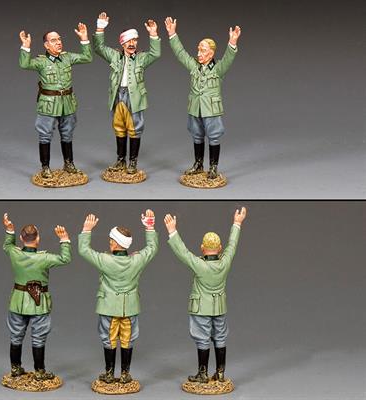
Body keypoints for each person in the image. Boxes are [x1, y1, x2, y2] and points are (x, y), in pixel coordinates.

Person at [163, 207, 247, 383]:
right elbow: (232, 246)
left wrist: (172, 231)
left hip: (201, 308)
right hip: (220, 308)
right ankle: (220, 373)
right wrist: (237, 223)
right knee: (220, 337)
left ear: (202, 248)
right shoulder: (225, 262)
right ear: (220, 248)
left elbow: (183, 252)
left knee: (203, 340)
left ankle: (203, 373)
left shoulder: (199, 264)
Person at [78, 210, 158, 384]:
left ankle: (109, 374)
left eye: (110, 241)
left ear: (115, 244)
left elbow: (83, 250)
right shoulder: (137, 260)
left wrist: (86, 230)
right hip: (130, 307)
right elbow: (152, 248)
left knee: (109, 339)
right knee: (128, 339)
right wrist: (150, 227)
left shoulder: (105, 260)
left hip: (108, 307)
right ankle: (125, 374)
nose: (109, 243)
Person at [164, 17, 241, 178]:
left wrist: (232, 42)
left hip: (211, 109)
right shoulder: (194, 66)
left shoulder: (218, 69)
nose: (199, 54)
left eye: (203, 50)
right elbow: (180, 53)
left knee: (214, 137)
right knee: (197, 135)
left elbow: (228, 58)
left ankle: (213, 167)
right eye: (198, 50)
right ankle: (198, 164)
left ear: (211, 53)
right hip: (195, 107)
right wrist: (172, 34)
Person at [2, 213, 71, 380]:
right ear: (38, 239)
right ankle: (40, 371)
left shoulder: (15, 253)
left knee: (16, 335)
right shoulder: (44, 258)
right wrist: (64, 240)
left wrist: (9, 230)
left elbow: (7, 245)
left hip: (18, 301)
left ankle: (15, 368)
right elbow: (65, 259)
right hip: (39, 302)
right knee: (39, 337)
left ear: (21, 238)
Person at [19, 23, 92, 178]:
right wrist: (26, 47)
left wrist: (84, 39)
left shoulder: (67, 57)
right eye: (53, 40)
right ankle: (45, 167)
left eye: (59, 39)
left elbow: (87, 57)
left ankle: (69, 163)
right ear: (46, 45)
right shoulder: (41, 61)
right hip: (49, 103)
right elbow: (24, 64)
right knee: (45, 135)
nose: (58, 42)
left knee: (67, 133)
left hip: (67, 102)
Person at [93, 12, 161, 174]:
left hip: (134, 96)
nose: (132, 44)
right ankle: (121, 160)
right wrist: (100, 28)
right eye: (129, 41)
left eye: (134, 40)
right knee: (119, 126)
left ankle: (133, 162)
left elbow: (155, 53)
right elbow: (98, 48)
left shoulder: (141, 58)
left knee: (135, 127)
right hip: (118, 95)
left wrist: (153, 34)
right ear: (122, 43)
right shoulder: (115, 56)